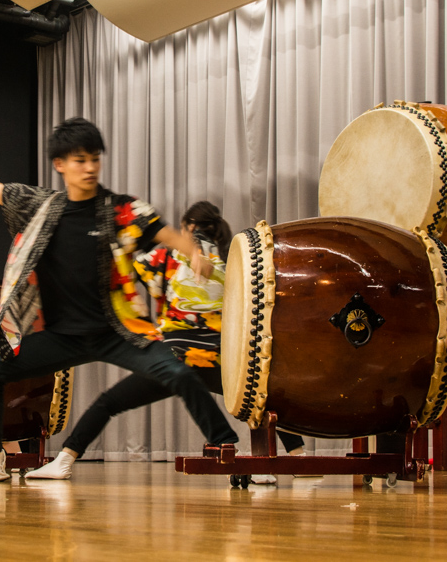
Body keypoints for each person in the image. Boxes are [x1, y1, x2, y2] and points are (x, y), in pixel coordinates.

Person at [0, 117, 239, 483]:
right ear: (59, 164)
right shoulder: (40, 207)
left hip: (117, 332)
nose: (90, 167)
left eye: (95, 158)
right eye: (80, 160)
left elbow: (165, 232)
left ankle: (224, 445)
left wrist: (193, 251)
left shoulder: (121, 210)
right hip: (62, 337)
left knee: (177, 371)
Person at [26, 201, 306, 481]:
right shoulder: (232, 261)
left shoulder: (169, 255)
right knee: (259, 402)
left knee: (107, 403)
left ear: (189, 228)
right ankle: (297, 461)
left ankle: (64, 460)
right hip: (221, 359)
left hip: (175, 356)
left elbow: (123, 273)